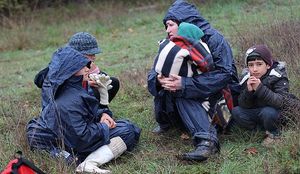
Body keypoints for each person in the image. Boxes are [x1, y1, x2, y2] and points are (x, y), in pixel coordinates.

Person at [147, 0, 240, 161]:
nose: (167, 30)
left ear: (185, 24)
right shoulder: (171, 43)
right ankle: (168, 124)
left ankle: (207, 142)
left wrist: (184, 84)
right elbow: (153, 74)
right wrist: (159, 80)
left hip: (222, 108)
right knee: (168, 88)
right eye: (166, 27)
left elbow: (225, 75)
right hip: (194, 106)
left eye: (170, 25)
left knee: (182, 91)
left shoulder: (214, 39)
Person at [26, 46, 141, 173]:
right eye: (83, 66)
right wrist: (103, 126)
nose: (88, 69)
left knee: (129, 129)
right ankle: (88, 162)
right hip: (59, 140)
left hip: (70, 136)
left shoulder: (75, 85)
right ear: (71, 70)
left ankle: (83, 160)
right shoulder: (66, 100)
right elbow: (82, 138)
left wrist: (102, 113)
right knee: (127, 131)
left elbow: (87, 112)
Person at [34, 32, 120, 108]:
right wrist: (83, 83)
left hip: (78, 98)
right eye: (90, 54)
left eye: (94, 54)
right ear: (76, 54)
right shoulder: (61, 65)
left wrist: (95, 72)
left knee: (111, 82)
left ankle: (99, 113)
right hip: (63, 107)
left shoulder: (84, 64)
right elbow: (39, 80)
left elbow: (103, 80)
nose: (94, 57)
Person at [232, 44, 289, 147]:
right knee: (236, 111)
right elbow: (243, 105)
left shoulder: (277, 76)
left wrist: (259, 89)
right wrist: (248, 92)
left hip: (275, 113)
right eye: (251, 65)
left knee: (268, 112)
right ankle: (259, 132)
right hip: (257, 112)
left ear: (267, 65)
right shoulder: (247, 77)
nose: (254, 69)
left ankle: (274, 133)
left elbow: (281, 102)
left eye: (259, 64)